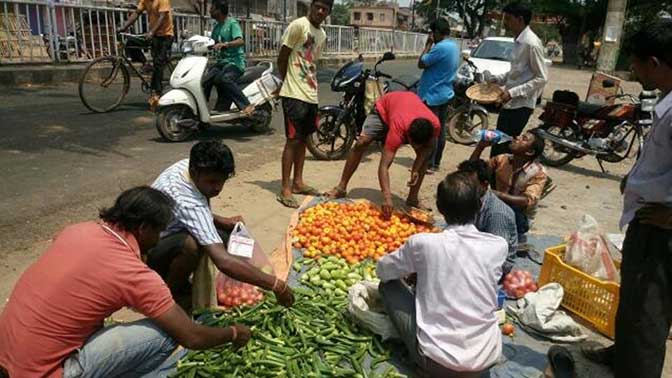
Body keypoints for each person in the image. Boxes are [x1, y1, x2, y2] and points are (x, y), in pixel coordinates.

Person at [0, 187, 252, 378]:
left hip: (8, 356)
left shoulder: (78, 230)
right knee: (167, 331)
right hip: (45, 372)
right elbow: (192, 337)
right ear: (143, 228)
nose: (160, 237)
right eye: (159, 231)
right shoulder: (132, 273)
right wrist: (232, 333)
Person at [581, 19, 672, 378]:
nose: (632, 71)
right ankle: (624, 356)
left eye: (634, 63)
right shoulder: (665, 99)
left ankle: (636, 370)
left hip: (661, 227)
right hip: (647, 215)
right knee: (634, 300)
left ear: (654, 63)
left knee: (649, 310)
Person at [377, 171, 507, 377]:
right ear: (480, 205)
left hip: (438, 361)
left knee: (388, 285)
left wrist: (412, 272)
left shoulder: (423, 242)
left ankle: (422, 366)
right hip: (485, 360)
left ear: (439, 208)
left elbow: (383, 270)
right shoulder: (498, 246)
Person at [148, 141, 294, 311]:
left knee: (228, 235)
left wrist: (218, 219)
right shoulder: (185, 198)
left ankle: (185, 283)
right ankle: (170, 295)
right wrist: (275, 285)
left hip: (171, 227)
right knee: (191, 246)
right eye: (212, 181)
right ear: (195, 172)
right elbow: (222, 261)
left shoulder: (187, 166)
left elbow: (189, 210)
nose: (218, 188)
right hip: (152, 247)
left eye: (222, 181)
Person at [325, 91, 440, 218]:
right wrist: (387, 197)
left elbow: (427, 150)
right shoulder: (399, 128)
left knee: (423, 161)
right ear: (407, 137)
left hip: (406, 106)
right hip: (384, 109)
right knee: (361, 143)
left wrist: (416, 169)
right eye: (414, 144)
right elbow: (384, 166)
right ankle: (341, 187)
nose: (416, 148)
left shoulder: (435, 125)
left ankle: (412, 198)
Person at [276, 0, 332, 208]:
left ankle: (298, 182)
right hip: (293, 92)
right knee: (292, 140)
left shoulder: (322, 35)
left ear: (328, 12)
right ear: (311, 6)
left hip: (310, 93)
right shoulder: (298, 25)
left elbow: (311, 62)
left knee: (303, 139)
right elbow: (282, 58)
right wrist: (286, 82)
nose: (320, 11)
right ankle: (285, 188)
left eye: (324, 9)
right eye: (317, 6)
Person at [483, 2, 548, 157]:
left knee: (505, 149)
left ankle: (501, 179)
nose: (505, 23)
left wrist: (512, 92)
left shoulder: (531, 43)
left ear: (519, 19)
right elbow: (515, 73)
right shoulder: (518, 41)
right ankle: (495, 178)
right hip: (509, 104)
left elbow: (542, 78)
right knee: (498, 145)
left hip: (521, 105)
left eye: (508, 19)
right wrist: (495, 79)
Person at [470, 129, 547, 245]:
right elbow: (472, 170)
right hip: (496, 205)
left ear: (530, 152)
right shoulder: (502, 159)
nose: (517, 137)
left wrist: (495, 194)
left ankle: (514, 235)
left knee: (511, 211)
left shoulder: (538, 172)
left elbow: (526, 200)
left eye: (524, 139)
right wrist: (480, 147)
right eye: (520, 136)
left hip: (518, 215)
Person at [417, 17, 459, 173]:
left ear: (435, 32)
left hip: (432, 95)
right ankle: (435, 163)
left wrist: (428, 44)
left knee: (432, 132)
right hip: (445, 94)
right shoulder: (454, 46)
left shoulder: (439, 47)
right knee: (440, 131)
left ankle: (428, 163)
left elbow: (421, 63)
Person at [457, 159, 517, 264]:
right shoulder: (468, 199)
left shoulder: (497, 214)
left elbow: (497, 255)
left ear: (484, 185)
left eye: (468, 185)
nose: (462, 188)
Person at [120, 0, 174, 106]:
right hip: (153, 34)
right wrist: (123, 27)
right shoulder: (144, 1)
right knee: (130, 42)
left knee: (158, 63)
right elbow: (136, 13)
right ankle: (145, 64)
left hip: (165, 36)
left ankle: (157, 93)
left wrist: (151, 32)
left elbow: (162, 16)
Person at [205, 0, 254, 115]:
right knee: (205, 80)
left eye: (212, 7)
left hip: (235, 63)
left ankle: (246, 105)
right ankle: (202, 108)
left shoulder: (232, 23)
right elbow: (212, 44)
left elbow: (240, 41)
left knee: (225, 78)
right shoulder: (216, 27)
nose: (210, 10)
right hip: (222, 63)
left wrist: (226, 44)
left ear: (219, 10)